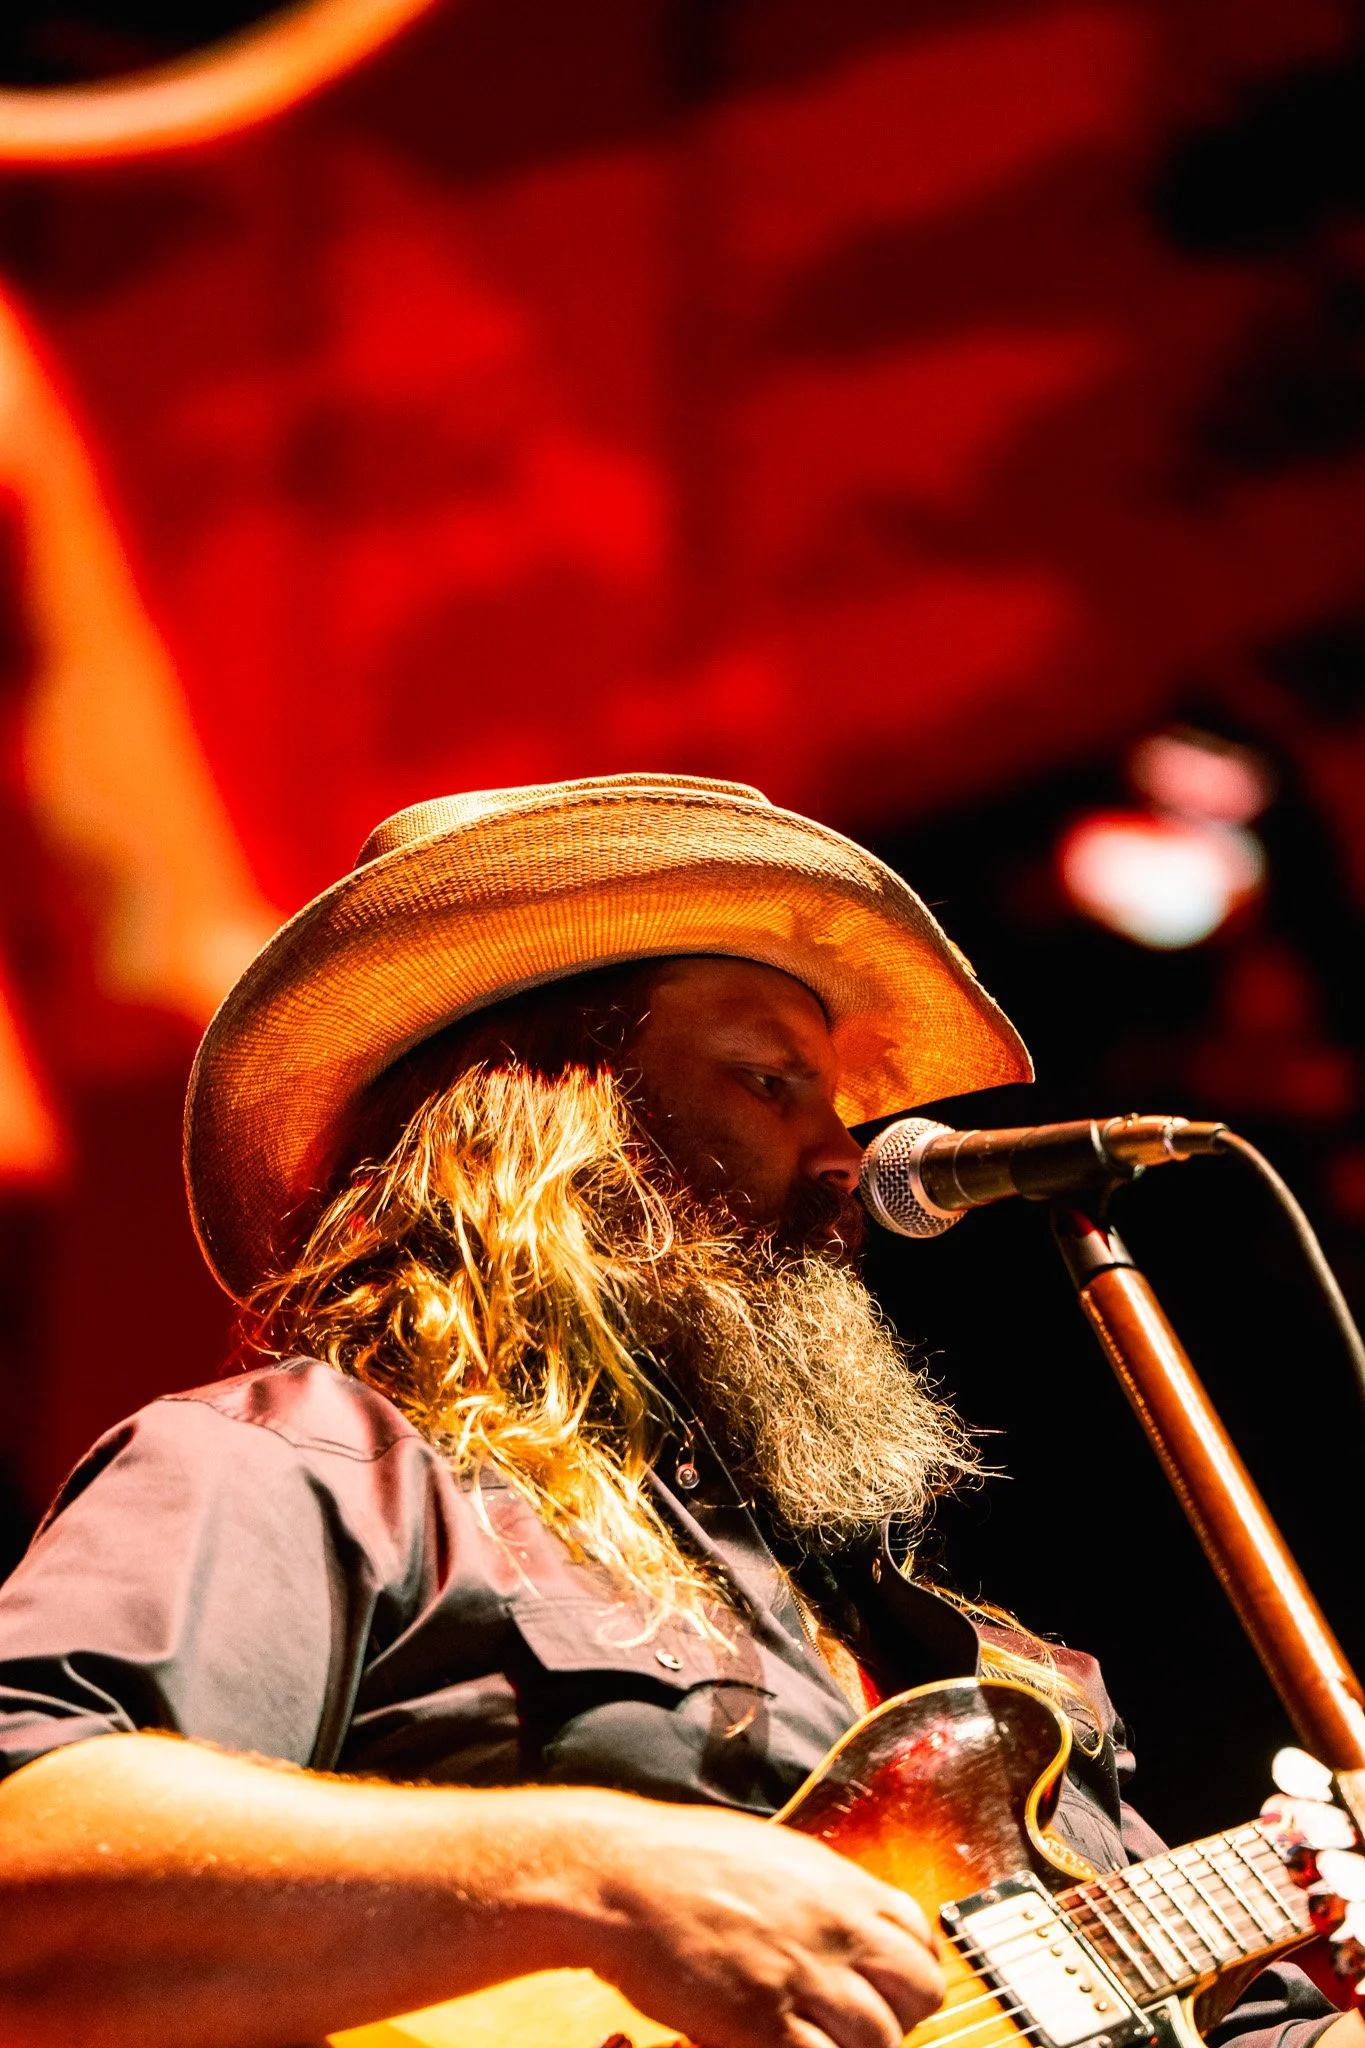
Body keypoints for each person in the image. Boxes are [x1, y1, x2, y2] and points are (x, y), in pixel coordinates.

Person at [0, 774, 1352, 2048]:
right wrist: (592, 1873)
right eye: (772, 1085)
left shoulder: (952, 1667)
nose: (847, 1159)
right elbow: (26, 1861)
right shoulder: (319, 1468)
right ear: (533, 1127)